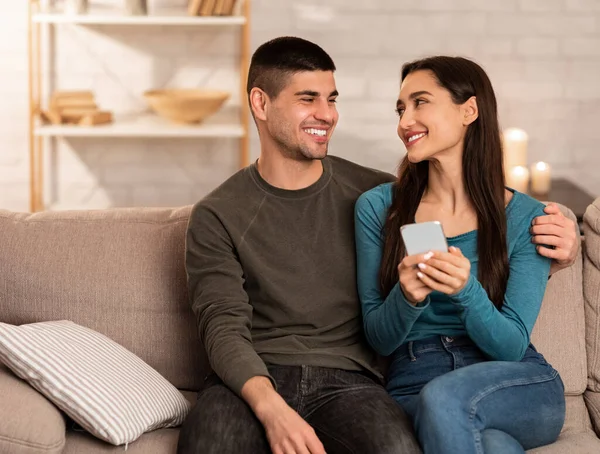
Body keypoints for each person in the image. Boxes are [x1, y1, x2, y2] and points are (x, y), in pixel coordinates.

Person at [178, 37, 578, 454]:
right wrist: (273, 409)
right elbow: (223, 329)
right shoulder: (224, 214)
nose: (327, 114)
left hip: (351, 381)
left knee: (407, 438)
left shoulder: (374, 192)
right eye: (308, 99)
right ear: (261, 104)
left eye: (331, 99)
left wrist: (564, 244)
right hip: (278, 376)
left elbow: (495, 218)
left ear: (469, 110)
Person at [354, 56, 567, 454]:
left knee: (446, 399)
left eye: (420, 103)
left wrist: (467, 291)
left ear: (469, 110)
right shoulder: (378, 208)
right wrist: (408, 297)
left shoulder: (525, 218)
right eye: (401, 109)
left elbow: (510, 346)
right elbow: (379, 339)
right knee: (493, 445)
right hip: (415, 380)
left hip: (515, 381)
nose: (404, 122)